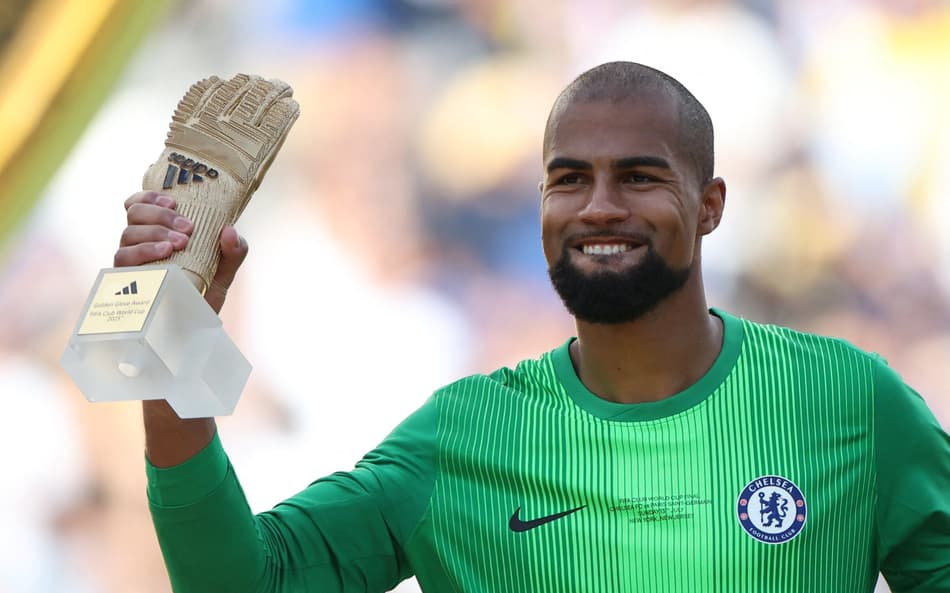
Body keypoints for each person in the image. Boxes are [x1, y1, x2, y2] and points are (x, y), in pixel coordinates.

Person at [115, 62, 950, 592]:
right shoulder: (462, 437)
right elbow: (244, 582)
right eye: (569, 179)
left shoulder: (849, 401)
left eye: (639, 176)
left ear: (710, 205)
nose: (600, 206)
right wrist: (176, 334)